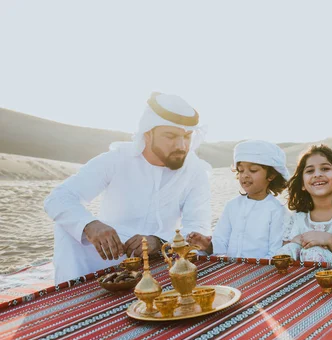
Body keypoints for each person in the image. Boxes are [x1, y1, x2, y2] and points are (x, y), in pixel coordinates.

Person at [44, 92, 211, 283]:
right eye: (170, 136)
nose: (181, 145)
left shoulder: (195, 170)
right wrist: (90, 225)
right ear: (148, 134)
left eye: (187, 137)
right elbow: (58, 198)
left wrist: (159, 241)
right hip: (113, 252)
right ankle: (71, 296)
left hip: (165, 256)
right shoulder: (116, 160)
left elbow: (198, 227)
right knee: (68, 227)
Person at [186, 140, 289, 259]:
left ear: (271, 175)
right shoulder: (232, 206)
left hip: (260, 271)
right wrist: (206, 245)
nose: (245, 175)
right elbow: (220, 244)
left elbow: (275, 253)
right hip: (230, 269)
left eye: (253, 170)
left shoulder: (277, 210)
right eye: (241, 170)